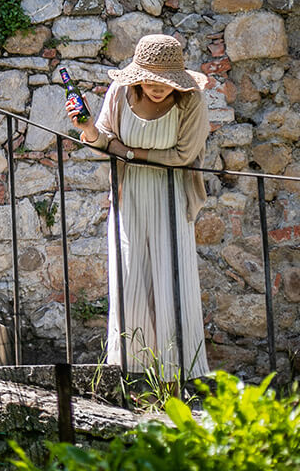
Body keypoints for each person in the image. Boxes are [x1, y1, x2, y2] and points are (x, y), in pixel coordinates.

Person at [65, 34, 211, 381]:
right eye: (150, 78)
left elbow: (182, 157)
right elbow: (103, 139)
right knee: (128, 281)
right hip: (128, 196)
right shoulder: (119, 94)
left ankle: (178, 378)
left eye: (164, 81)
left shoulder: (191, 102)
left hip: (171, 197)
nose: (157, 87)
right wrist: (86, 129)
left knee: (173, 283)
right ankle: (132, 375)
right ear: (137, 75)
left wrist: (127, 152)